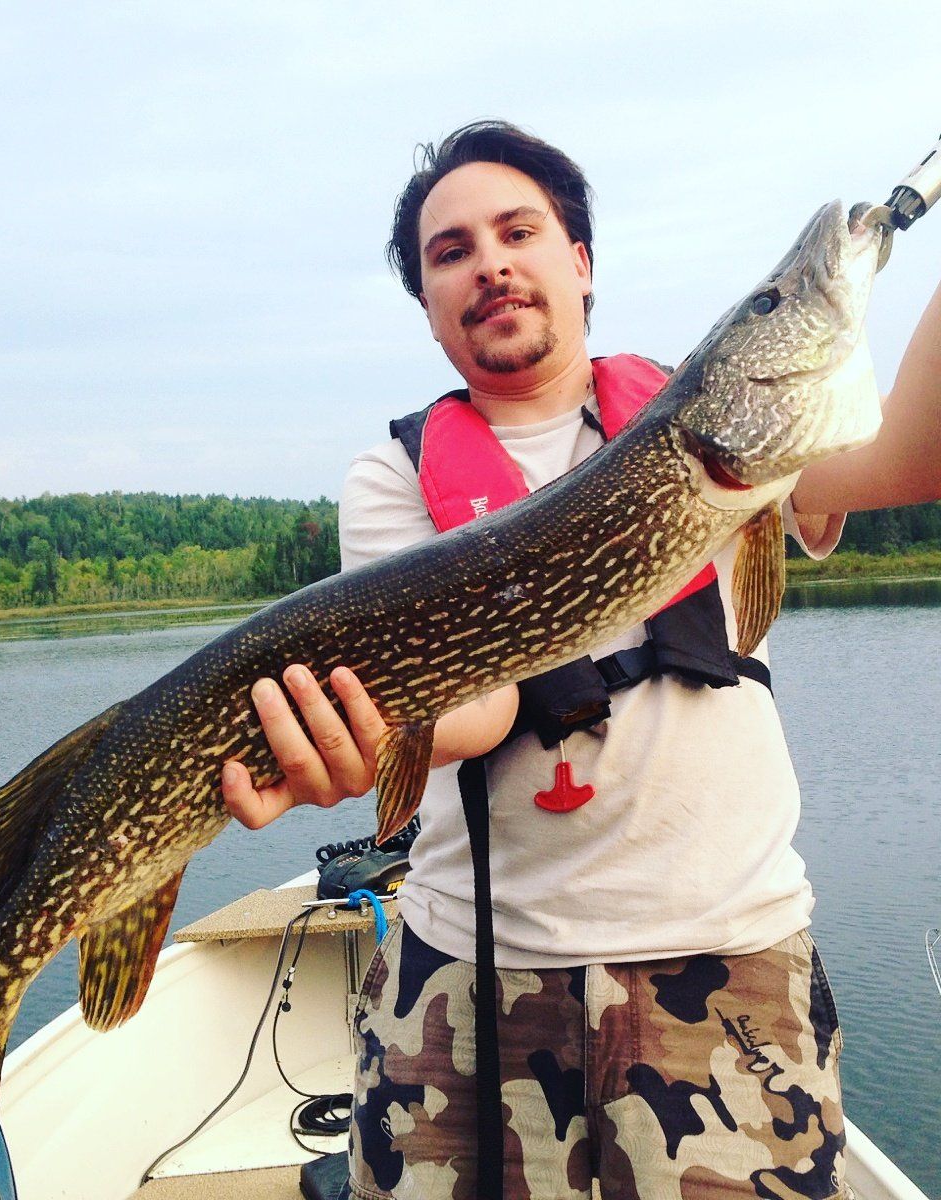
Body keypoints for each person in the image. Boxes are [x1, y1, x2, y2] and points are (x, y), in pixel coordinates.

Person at [221, 122, 941, 1200]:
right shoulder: (394, 476)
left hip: (723, 957)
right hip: (470, 973)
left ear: (581, 263)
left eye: (520, 230)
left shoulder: (720, 424)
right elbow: (468, 708)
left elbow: (914, 452)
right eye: (450, 251)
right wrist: (357, 744)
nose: (491, 262)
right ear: (427, 302)